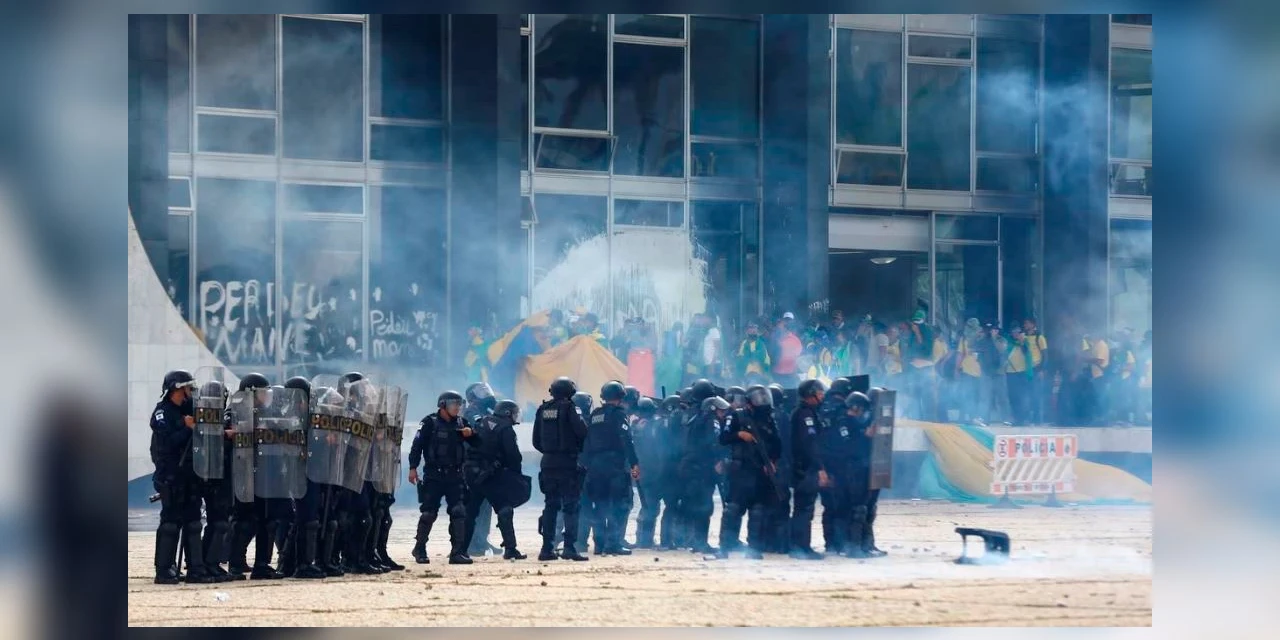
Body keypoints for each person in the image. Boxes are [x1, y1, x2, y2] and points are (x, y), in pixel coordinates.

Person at [150, 370, 217, 585]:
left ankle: (196, 568)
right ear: (176, 389)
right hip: (170, 474)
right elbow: (168, 444)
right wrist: (187, 428)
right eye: (187, 388)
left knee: (193, 522)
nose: (190, 392)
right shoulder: (163, 413)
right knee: (170, 522)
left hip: (190, 474)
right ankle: (163, 569)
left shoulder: (188, 409)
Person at [407, 390, 480, 565]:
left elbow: (477, 444)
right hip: (434, 475)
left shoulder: (462, 422)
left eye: (459, 404)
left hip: (456, 475)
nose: (457, 407)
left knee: (459, 512)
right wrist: (413, 467)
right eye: (453, 403)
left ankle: (457, 552)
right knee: (428, 513)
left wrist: (472, 434)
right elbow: (417, 446)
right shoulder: (429, 422)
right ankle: (420, 548)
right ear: (443, 405)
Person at [716, 385, 782, 559]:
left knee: (758, 511)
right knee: (733, 509)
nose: (762, 401)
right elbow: (723, 438)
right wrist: (739, 434)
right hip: (740, 470)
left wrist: (772, 462)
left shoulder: (768, 419)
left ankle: (754, 549)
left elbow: (777, 444)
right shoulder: (736, 416)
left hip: (760, 471)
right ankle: (725, 547)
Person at [533, 377, 591, 561]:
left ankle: (546, 549)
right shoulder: (571, 407)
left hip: (548, 462)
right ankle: (569, 547)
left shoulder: (542, 409)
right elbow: (582, 431)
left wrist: (550, 452)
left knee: (550, 506)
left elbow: (536, 440)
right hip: (567, 463)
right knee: (571, 507)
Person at [463, 399, 527, 560]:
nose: (515, 416)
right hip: (492, 476)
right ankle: (511, 549)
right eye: (514, 413)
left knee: (470, 513)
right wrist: (514, 473)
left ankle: (460, 549)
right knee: (505, 509)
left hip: (474, 475)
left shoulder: (483, 421)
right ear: (507, 413)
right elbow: (513, 455)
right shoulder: (505, 429)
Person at [583, 381, 641, 555]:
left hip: (595, 466)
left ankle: (599, 544)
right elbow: (626, 439)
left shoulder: (595, 415)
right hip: (615, 465)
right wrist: (634, 463)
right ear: (621, 396)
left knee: (600, 505)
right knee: (618, 505)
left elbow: (588, 440)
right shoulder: (619, 414)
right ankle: (613, 543)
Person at [680, 396, 730, 554]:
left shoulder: (696, 419)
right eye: (721, 410)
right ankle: (701, 543)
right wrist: (718, 460)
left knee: (697, 506)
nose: (723, 414)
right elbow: (714, 441)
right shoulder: (711, 420)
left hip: (691, 468)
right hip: (702, 469)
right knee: (705, 507)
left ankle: (696, 542)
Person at [788, 379, 828, 560]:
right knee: (804, 509)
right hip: (805, 469)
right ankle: (801, 547)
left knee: (804, 508)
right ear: (811, 393)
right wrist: (820, 467)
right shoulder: (805, 415)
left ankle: (801, 546)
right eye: (819, 392)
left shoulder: (808, 412)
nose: (822, 395)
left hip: (804, 468)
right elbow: (810, 444)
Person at [844, 391, 886, 558]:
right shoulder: (845, 422)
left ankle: (866, 545)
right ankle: (854, 547)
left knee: (867, 507)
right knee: (858, 509)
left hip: (862, 468)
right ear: (855, 408)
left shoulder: (857, 423)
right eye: (861, 410)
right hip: (852, 470)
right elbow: (848, 447)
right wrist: (865, 437)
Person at [463, 382, 500, 557]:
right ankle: (472, 543)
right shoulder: (471, 412)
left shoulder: (487, 412)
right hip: (474, 465)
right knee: (475, 507)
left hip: (485, 465)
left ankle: (480, 539)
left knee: (485, 507)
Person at [631, 398, 667, 549]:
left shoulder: (635, 425)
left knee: (648, 505)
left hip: (643, 469)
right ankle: (644, 540)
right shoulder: (651, 425)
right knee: (650, 506)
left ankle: (643, 539)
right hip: (651, 470)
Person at [1023, 318, 1049, 424]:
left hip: (1036, 369)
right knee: (1027, 394)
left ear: (1033, 324)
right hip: (1026, 369)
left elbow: (1045, 355)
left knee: (1036, 394)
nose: (1025, 325)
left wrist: (1042, 369)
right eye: (1025, 323)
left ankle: (1037, 418)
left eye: (1027, 323)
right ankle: (1029, 417)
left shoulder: (1040, 337)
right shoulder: (1023, 337)